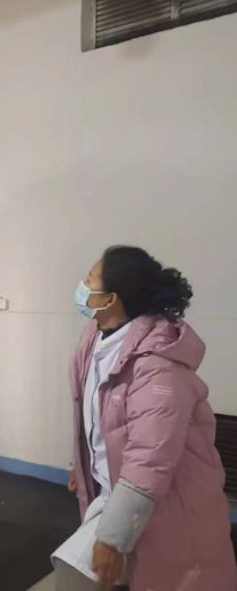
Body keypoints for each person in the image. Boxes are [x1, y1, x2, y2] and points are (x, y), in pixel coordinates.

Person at [53, 246, 237, 590]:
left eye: (89, 279)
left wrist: (111, 538)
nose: (81, 285)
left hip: (173, 504)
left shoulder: (158, 366)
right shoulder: (95, 336)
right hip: (120, 495)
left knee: (176, 576)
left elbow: (149, 459)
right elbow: (94, 414)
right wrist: (82, 464)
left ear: (111, 299)